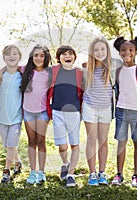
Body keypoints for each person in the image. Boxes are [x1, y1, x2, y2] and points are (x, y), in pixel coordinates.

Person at [111, 36, 137, 188]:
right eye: (124, 50)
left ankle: (136, 175)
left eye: (131, 50)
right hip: (121, 111)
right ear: (119, 52)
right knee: (121, 142)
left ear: (136, 51)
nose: (127, 52)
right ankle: (119, 174)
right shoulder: (118, 71)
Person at [47, 45, 84, 187]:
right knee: (62, 146)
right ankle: (65, 164)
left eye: (70, 54)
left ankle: (71, 174)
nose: (67, 56)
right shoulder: (53, 71)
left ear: (74, 57)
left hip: (74, 113)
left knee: (74, 144)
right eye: (63, 54)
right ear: (58, 58)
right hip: (57, 112)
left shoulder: (79, 72)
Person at [82, 37, 113, 186]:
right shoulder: (86, 69)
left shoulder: (112, 68)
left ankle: (102, 172)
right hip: (90, 107)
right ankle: (92, 173)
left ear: (107, 50)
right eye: (96, 50)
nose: (99, 52)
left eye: (102, 49)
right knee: (91, 140)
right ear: (91, 52)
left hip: (106, 108)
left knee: (103, 141)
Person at [20, 44, 51, 185]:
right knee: (31, 141)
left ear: (46, 57)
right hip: (28, 112)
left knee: (41, 141)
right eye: (36, 55)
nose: (38, 58)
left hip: (43, 113)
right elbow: (8, 67)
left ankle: (41, 172)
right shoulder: (25, 70)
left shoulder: (49, 73)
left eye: (42, 55)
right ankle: (32, 172)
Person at [0, 45, 23, 183]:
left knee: (11, 144)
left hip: (16, 116)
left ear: (19, 57)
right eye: (8, 54)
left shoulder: (22, 74)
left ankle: (6, 171)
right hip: (1, 116)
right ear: (4, 58)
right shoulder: (0, 75)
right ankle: (17, 162)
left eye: (15, 54)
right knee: (8, 144)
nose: (11, 56)